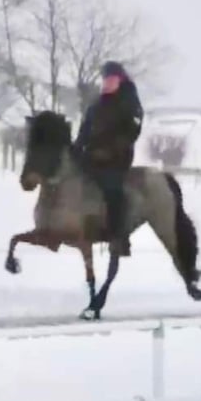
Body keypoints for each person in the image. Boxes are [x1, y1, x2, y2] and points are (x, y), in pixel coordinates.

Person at [73, 61, 144, 256]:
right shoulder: (96, 104)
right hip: (92, 154)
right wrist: (76, 149)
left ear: (120, 79)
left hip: (117, 158)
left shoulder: (130, 101)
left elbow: (132, 131)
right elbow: (84, 130)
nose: (107, 83)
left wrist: (110, 150)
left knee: (112, 188)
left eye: (111, 79)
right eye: (105, 79)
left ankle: (119, 236)